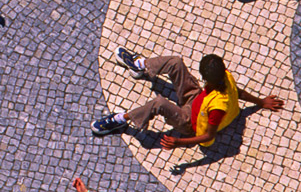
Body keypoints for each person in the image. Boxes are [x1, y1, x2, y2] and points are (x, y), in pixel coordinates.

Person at [92, 48, 283, 146]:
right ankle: (140, 66)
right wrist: (261, 102)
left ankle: (121, 120)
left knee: (159, 103)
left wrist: (178, 142)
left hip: (189, 122)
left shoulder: (217, 107)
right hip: (196, 101)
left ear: (208, 79)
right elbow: (238, 92)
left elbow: (208, 135)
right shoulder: (224, 77)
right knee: (176, 63)